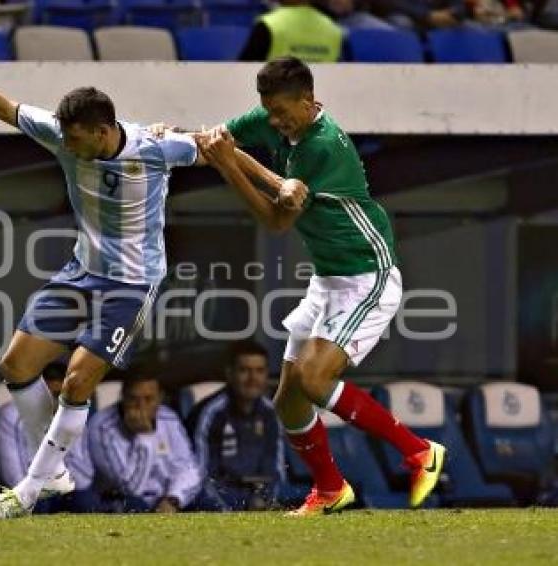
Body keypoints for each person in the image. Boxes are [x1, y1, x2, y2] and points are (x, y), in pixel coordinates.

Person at [0, 42, 202, 520]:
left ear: (103, 132)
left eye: (76, 138)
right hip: (81, 272)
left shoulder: (155, 148)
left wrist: (279, 184)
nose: (66, 145)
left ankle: (28, 490)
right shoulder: (62, 135)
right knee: (16, 365)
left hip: (130, 285)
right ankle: (55, 470)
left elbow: (220, 146)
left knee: (77, 382)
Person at [196, 57, 446, 516]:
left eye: (282, 112)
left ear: (308, 101)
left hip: (366, 274)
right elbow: (219, 141)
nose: (273, 121)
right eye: (267, 111)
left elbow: (275, 220)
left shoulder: (323, 147)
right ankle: (331, 489)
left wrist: (229, 166)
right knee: (288, 400)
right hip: (328, 277)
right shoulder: (271, 116)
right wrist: (174, 138)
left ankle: (419, 451)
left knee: (313, 380)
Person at [79, 374, 202, 513]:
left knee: (205, 496)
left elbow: (188, 469)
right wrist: (144, 437)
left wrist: (173, 499)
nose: (141, 406)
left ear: (160, 398)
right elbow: (129, 488)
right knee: (136, 505)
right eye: (133, 399)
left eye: (148, 399)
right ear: (123, 397)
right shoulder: (101, 426)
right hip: (119, 500)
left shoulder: (169, 418)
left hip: (166, 497)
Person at [186, 340, 283, 511]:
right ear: (229, 374)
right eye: (244, 371)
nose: (253, 379)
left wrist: (267, 503)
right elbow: (200, 478)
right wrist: (228, 513)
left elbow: (275, 471)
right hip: (219, 498)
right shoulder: (211, 413)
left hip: (256, 498)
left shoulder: (270, 413)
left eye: (259, 371)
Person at [0, 362, 92, 512]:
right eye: (49, 395)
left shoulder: (72, 415)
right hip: (17, 489)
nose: (54, 403)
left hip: (59, 487)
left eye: (60, 395)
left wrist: (61, 439)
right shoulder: (11, 417)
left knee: (86, 501)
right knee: (37, 503)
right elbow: (14, 479)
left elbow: (85, 479)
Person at [239, 0, 343, 63]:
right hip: (318, 96)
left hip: (277, 95)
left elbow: (243, 69)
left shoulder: (269, 24)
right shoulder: (334, 29)